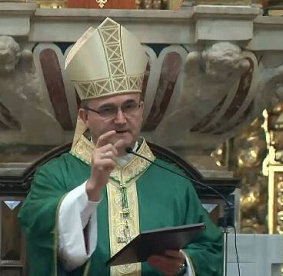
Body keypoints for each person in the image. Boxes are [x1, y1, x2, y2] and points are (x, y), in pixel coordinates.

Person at [18, 17, 223, 276]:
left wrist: (183, 264)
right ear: (84, 117)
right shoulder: (54, 176)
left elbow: (211, 249)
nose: (120, 119)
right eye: (107, 109)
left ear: (141, 109)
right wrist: (90, 191)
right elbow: (40, 238)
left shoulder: (175, 181)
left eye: (129, 106)